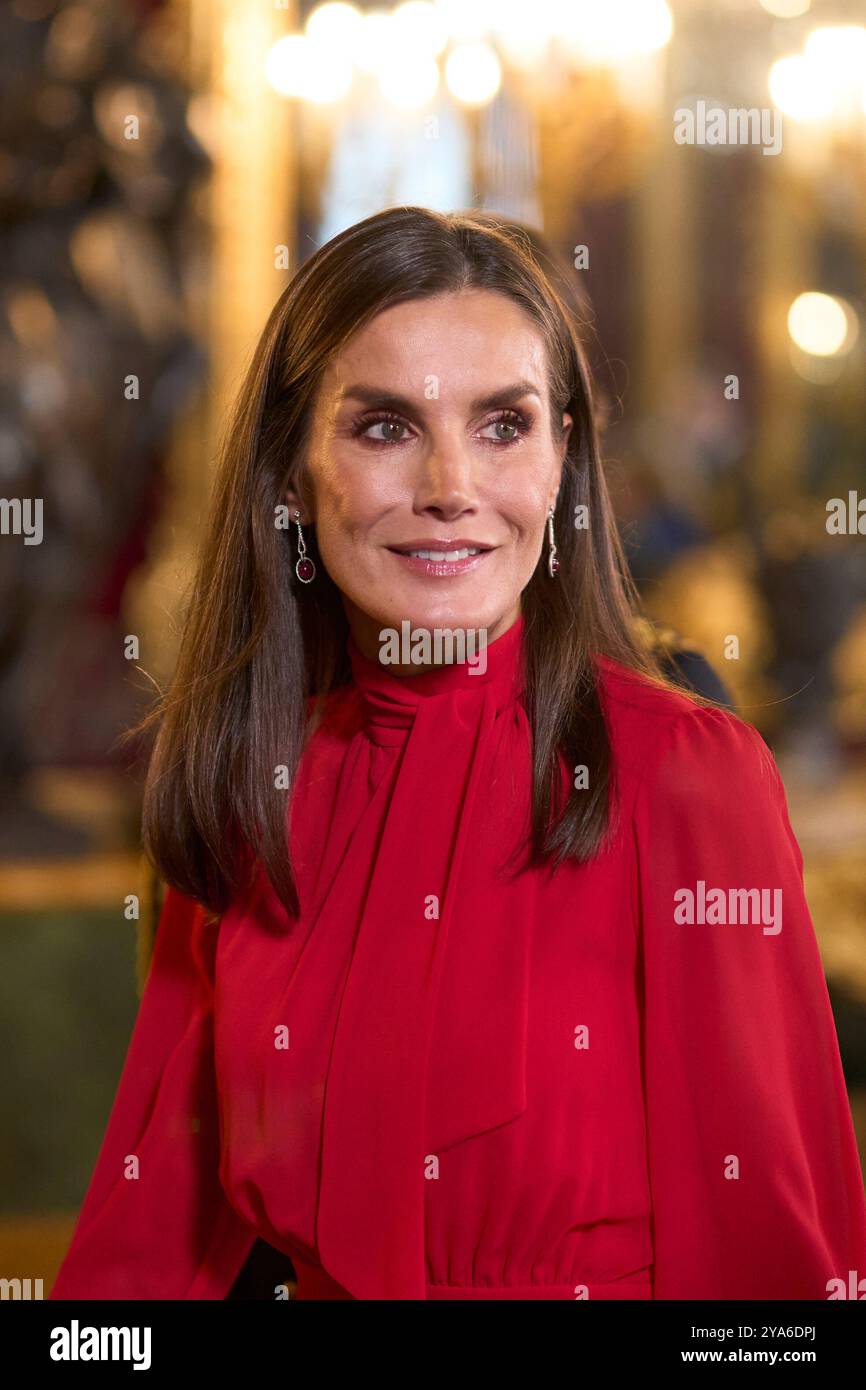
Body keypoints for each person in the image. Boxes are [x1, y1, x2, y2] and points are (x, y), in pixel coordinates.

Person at [50, 207, 866, 1301]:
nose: (450, 484)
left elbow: (769, 1269)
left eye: (501, 425)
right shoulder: (249, 780)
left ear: (561, 461)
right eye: (384, 426)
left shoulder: (681, 773)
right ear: (290, 476)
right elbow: (143, 1252)